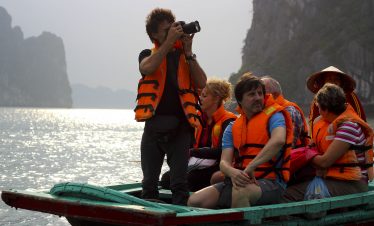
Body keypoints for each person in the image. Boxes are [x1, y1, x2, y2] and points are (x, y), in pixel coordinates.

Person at [188, 73, 293, 208]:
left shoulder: (275, 116)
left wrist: (251, 167)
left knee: (241, 193)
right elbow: (224, 163)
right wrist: (233, 173)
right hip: (241, 181)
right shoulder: (233, 126)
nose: (258, 98)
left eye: (260, 93)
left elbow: (278, 141)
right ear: (240, 100)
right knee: (195, 200)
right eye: (251, 94)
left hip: (271, 182)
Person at [135, 8, 207, 205]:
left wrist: (189, 51)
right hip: (153, 129)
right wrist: (167, 43)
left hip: (180, 130)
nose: (172, 33)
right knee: (149, 183)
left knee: (179, 185)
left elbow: (201, 82)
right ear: (154, 35)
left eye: (173, 29)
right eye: (166, 31)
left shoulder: (185, 56)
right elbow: (147, 68)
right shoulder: (147, 54)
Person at [283, 84, 373, 202]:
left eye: (319, 108)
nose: (318, 112)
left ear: (325, 109)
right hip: (332, 178)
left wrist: (306, 155)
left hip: (352, 183)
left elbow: (324, 162)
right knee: (289, 187)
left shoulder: (348, 127)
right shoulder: (326, 124)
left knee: (286, 195)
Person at [160, 79, 237, 192]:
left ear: (216, 99)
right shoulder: (196, 119)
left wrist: (193, 152)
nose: (199, 98)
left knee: (189, 179)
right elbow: (188, 144)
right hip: (196, 164)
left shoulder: (228, 121)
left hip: (218, 165)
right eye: (200, 95)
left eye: (204, 96)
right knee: (166, 178)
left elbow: (222, 151)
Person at [307, 66, 367, 135]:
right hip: (325, 136)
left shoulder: (350, 96)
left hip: (347, 134)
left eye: (336, 79)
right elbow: (312, 123)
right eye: (329, 79)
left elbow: (360, 118)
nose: (333, 82)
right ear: (323, 82)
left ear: (341, 83)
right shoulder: (318, 98)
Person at [261, 76, 309, 148]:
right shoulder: (264, 111)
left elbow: (289, 145)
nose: (258, 97)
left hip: (291, 157)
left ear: (274, 94)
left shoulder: (290, 111)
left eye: (261, 93)